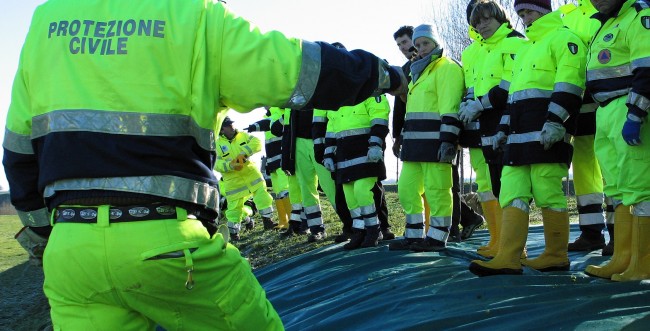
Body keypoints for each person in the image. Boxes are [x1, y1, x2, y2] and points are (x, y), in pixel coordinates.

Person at [4, 1, 407, 329]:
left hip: (72, 256)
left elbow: (19, 152)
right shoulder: (193, 15)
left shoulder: (46, 20)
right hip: (166, 241)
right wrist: (383, 75)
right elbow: (296, 67)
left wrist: (47, 234)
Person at [469, 0, 587, 276]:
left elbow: (571, 83)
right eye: (520, 13)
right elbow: (513, 98)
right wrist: (502, 129)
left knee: (547, 190)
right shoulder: (525, 48)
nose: (524, 18)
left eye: (529, 11)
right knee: (511, 192)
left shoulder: (564, 39)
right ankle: (509, 257)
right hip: (518, 136)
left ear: (544, 11)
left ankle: (556, 255)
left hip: (547, 132)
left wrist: (558, 121)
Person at [391, 24, 483, 243]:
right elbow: (410, 111)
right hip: (414, 145)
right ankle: (413, 233)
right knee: (407, 189)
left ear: (436, 43)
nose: (421, 48)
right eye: (418, 44)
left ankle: (439, 234)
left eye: (426, 43)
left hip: (436, 143)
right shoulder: (416, 72)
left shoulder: (448, 68)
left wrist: (449, 140)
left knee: (438, 189)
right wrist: (402, 137)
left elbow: (450, 108)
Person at [584, 0, 650, 281]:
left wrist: (636, 113)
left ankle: (643, 263)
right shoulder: (604, 23)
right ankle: (623, 257)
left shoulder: (639, 15)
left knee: (641, 189)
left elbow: (647, 68)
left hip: (627, 108)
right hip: (605, 113)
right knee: (619, 189)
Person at [460, 0, 525, 258]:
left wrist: (479, 104)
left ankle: (512, 249)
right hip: (481, 124)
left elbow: (508, 86)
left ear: (500, 16)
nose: (481, 25)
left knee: (510, 186)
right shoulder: (474, 52)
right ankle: (497, 240)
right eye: (476, 22)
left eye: (486, 19)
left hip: (507, 121)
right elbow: (472, 86)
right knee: (490, 185)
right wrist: (469, 106)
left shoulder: (515, 43)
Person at [559, 0, 609, 254]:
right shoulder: (563, 16)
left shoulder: (612, 8)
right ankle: (591, 233)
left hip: (607, 102)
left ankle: (620, 233)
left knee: (612, 167)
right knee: (584, 171)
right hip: (578, 106)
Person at [321, 93, 391, 249]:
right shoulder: (335, 100)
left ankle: (373, 230)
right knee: (350, 197)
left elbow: (379, 118)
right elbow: (331, 130)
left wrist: (375, 144)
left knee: (362, 191)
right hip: (344, 157)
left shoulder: (371, 93)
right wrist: (328, 155)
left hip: (366, 154)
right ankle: (359, 231)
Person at [215, 116, 277, 240]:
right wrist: (230, 165)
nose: (232, 126)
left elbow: (257, 143)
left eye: (232, 123)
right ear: (222, 130)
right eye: (228, 125)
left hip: (252, 175)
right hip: (233, 182)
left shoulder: (243, 136)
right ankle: (233, 233)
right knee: (234, 209)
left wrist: (243, 154)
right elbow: (216, 164)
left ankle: (268, 221)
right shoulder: (217, 145)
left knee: (263, 197)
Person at [246, 107, 292, 230]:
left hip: (281, 158)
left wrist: (254, 126)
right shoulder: (268, 116)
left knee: (284, 189)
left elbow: (267, 124)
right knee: (277, 192)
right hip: (272, 160)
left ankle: (293, 221)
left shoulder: (279, 112)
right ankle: (284, 221)